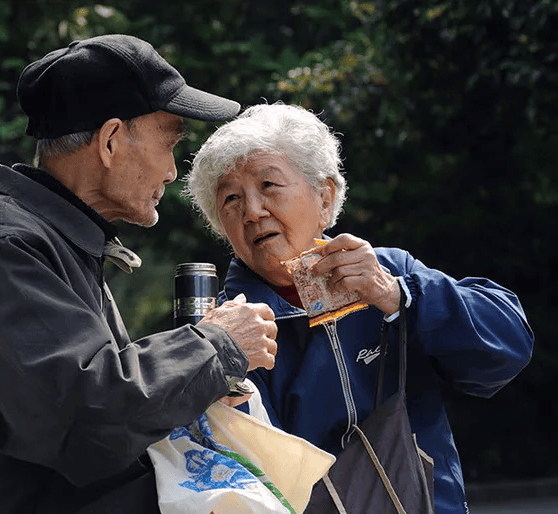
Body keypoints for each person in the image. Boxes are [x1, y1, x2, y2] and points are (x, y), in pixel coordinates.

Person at [0, 34, 279, 514]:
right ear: (112, 140)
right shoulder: (3, 245)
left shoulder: (54, 241)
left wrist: (190, 394)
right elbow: (85, 415)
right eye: (169, 142)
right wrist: (217, 346)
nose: (169, 171)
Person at [184, 102, 534, 514]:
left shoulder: (391, 274)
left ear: (324, 196)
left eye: (269, 186)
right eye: (231, 199)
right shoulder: (227, 330)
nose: (253, 211)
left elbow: (507, 352)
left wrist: (399, 296)